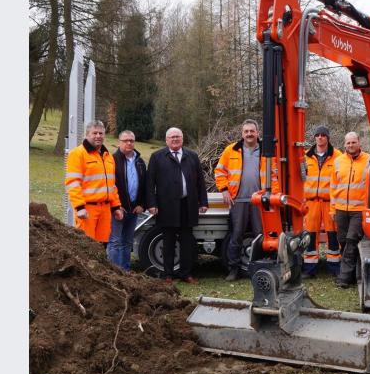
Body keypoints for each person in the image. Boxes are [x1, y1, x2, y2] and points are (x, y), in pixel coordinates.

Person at [215, 119, 277, 282]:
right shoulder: (232, 150)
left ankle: (260, 270)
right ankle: (233, 269)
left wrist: (271, 195)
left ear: (257, 133)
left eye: (252, 131)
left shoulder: (267, 151)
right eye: (246, 131)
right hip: (238, 201)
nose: (249, 134)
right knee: (236, 236)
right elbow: (219, 171)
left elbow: (274, 175)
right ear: (242, 134)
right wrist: (224, 190)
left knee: (260, 237)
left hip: (259, 201)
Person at [146, 127, 208, 284]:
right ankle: (168, 275)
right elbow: (149, 183)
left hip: (188, 205)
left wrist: (203, 202)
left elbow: (200, 181)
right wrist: (151, 204)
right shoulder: (157, 157)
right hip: (166, 207)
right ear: (166, 140)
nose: (175, 139)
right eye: (172, 137)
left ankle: (186, 274)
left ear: (182, 139)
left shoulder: (192, 156)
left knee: (187, 242)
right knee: (168, 242)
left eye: (178, 137)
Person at [65, 120, 124, 244]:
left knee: (102, 246)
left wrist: (116, 207)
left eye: (101, 133)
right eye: (94, 133)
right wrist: (79, 207)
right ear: (87, 135)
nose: (98, 136)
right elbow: (73, 183)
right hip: (87, 209)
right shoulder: (77, 154)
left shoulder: (108, 156)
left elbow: (112, 186)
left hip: (105, 210)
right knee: (86, 247)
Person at [329, 132, 370, 288]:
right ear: (344, 144)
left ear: (359, 143)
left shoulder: (369, 160)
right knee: (343, 241)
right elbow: (333, 187)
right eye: (348, 143)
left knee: (352, 240)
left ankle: (344, 278)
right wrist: (332, 209)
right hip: (340, 210)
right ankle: (353, 274)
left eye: (353, 142)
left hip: (359, 210)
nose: (351, 145)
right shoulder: (338, 162)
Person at [301, 125, 342, 278]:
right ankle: (309, 269)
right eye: (317, 135)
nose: (320, 137)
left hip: (330, 202)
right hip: (311, 203)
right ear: (314, 138)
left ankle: (335, 268)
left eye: (323, 135)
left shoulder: (338, 156)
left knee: (333, 235)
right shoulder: (305, 156)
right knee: (310, 236)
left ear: (328, 138)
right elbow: (300, 179)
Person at [107, 130, 147, 271]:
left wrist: (142, 204)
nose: (129, 143)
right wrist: (116, 206)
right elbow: (109, 185)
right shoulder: (112, 160)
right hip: (118, 209)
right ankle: (114, 273)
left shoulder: (140, 162)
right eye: (125, 140)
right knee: (115, 241)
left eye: (131, 140)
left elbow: (144, 185)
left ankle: (125, 272)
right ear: (119, 142)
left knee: (127, 242)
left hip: (134, 210)